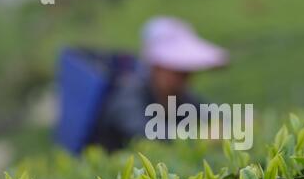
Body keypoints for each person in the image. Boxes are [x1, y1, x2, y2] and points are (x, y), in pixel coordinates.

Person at [91, 17, 229, 151]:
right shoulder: (127, 96)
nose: (185, 79)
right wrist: (200, 137)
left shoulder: (180, 98)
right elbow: (144, 132)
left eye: (187, 72)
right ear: (156, 67)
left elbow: (216, 115)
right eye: (178, 71)